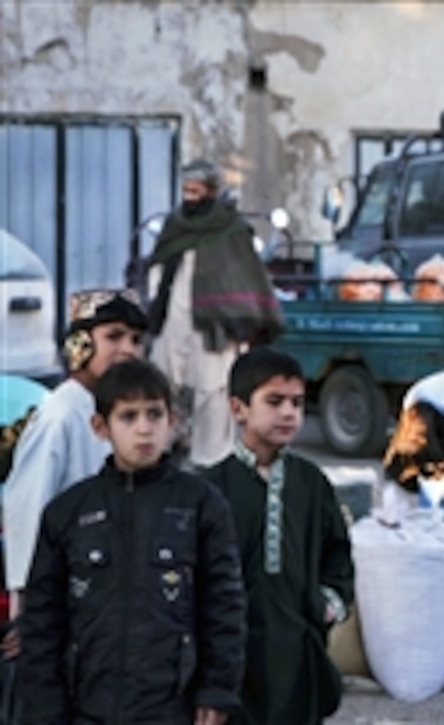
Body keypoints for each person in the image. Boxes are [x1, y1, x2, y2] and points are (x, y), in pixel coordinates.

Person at [17, 358, 247, 724]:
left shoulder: (202, 505)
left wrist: (217, 690)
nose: (144, 430)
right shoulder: (68, 512)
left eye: (154, 415)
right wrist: (43, 708)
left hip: (173, 706)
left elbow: (224, 606)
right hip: (86, 705)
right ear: (100, 426)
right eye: (128, 416)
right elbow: (43, 620)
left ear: (172, 421)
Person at [201, 347, 354, 724]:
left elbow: (338, 555)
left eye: (297, 403)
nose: (288, 413)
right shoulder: (210, 489)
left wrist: (328, 604)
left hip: (298, 646)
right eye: (274, 401)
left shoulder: (312, 483)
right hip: (234, 652)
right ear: (239, 409)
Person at [3, 288, 147, 624]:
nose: (127, 349)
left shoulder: (115, 411)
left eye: (136, 339)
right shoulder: (61, 416)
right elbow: (28, 509)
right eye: (114, 336)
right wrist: (27, 605)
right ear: (79, 345)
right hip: (64, 596)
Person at [147, 158, 285, 469]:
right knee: (162, 385)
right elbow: (158, 267)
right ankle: (161, 451)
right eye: (186, 190)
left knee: (213, 392)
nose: (190, 197)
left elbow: (245, 281)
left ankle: (210, 461)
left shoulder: (231, 230)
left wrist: (240, 323)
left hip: (215, 328)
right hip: (173, 321)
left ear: (211, 192)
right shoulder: (175, 225)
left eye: (196, 191)